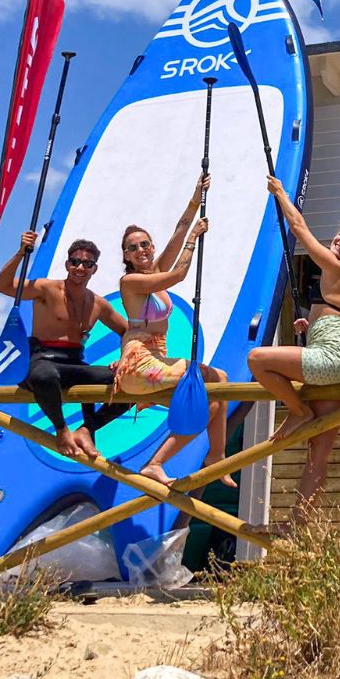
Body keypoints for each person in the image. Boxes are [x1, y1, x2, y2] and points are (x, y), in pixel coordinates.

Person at [247, 177, 340, 521]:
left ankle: (296, 410)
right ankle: (297, 524)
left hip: (331, 358)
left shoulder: (335, 266)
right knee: (319, 451)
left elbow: (299, 228)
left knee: (257, 359)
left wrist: (281, 195)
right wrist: (314, 325)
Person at [114, 174, 232, 485]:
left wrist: (197, 195)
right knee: (204, 383)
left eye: (144, 244)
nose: (140, 249)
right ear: (125, 255)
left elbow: (178, 232)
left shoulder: (153, 271)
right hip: (139, 363)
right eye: (132, 247)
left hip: (158, 361)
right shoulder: (131, 282)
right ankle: (156, 463)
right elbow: (179, 274)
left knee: (219, 386)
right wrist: (195, 238)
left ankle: (216, 456)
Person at [0, 233, 129, 457]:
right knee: (44, 376)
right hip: (41, 359)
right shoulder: (46, 288)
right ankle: (63, 430)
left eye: (87, 264)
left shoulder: (98, 304)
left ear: (94, 269)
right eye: (75, 262)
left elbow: (127, 331)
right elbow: (3, 285)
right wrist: (21, 252)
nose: (80, 267)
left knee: (132, 382)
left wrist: (125, 359)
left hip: (74, 363)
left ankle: (87, 429)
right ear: (67, 264)